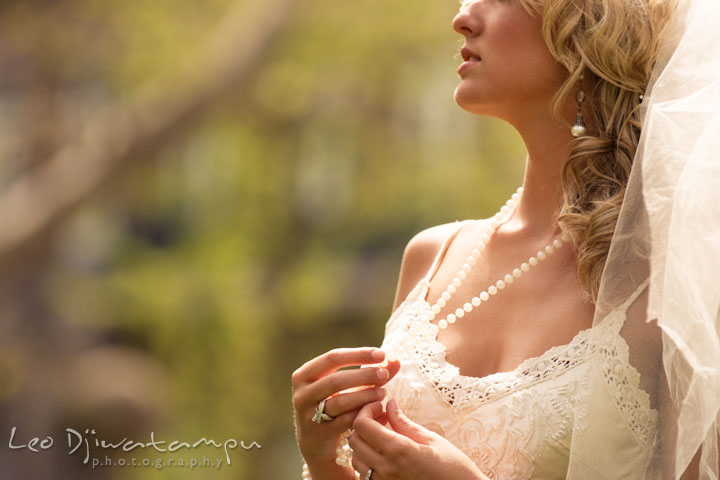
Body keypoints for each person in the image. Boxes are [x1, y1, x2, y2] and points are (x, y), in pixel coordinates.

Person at [292, 0, 720, 478]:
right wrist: (325, 462)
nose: (463, 17)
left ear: (585, 31)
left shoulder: (677, 282)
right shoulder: (431, 258)